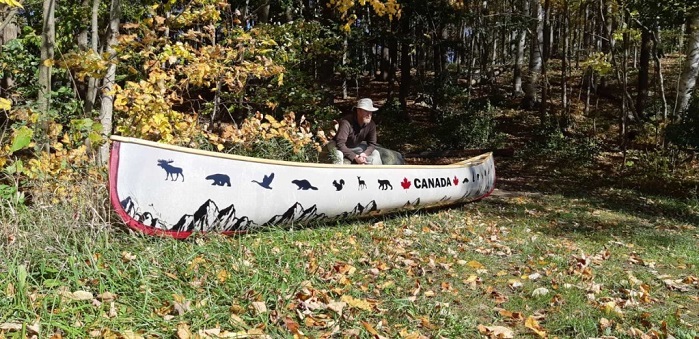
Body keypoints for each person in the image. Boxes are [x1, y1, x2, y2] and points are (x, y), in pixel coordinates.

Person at [328, 98, 383, 165]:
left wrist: (364, 154)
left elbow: (372, 144)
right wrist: (355, 157)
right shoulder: (346, 122)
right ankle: (337, 174)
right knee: (338, 155)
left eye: (370, 112)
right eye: (366, 111)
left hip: (354, 146)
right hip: (337, 146)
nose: (369, 115)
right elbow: (340, 144)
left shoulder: (371, 124)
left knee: (376, 153)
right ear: (358, 111)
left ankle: (377, 174)